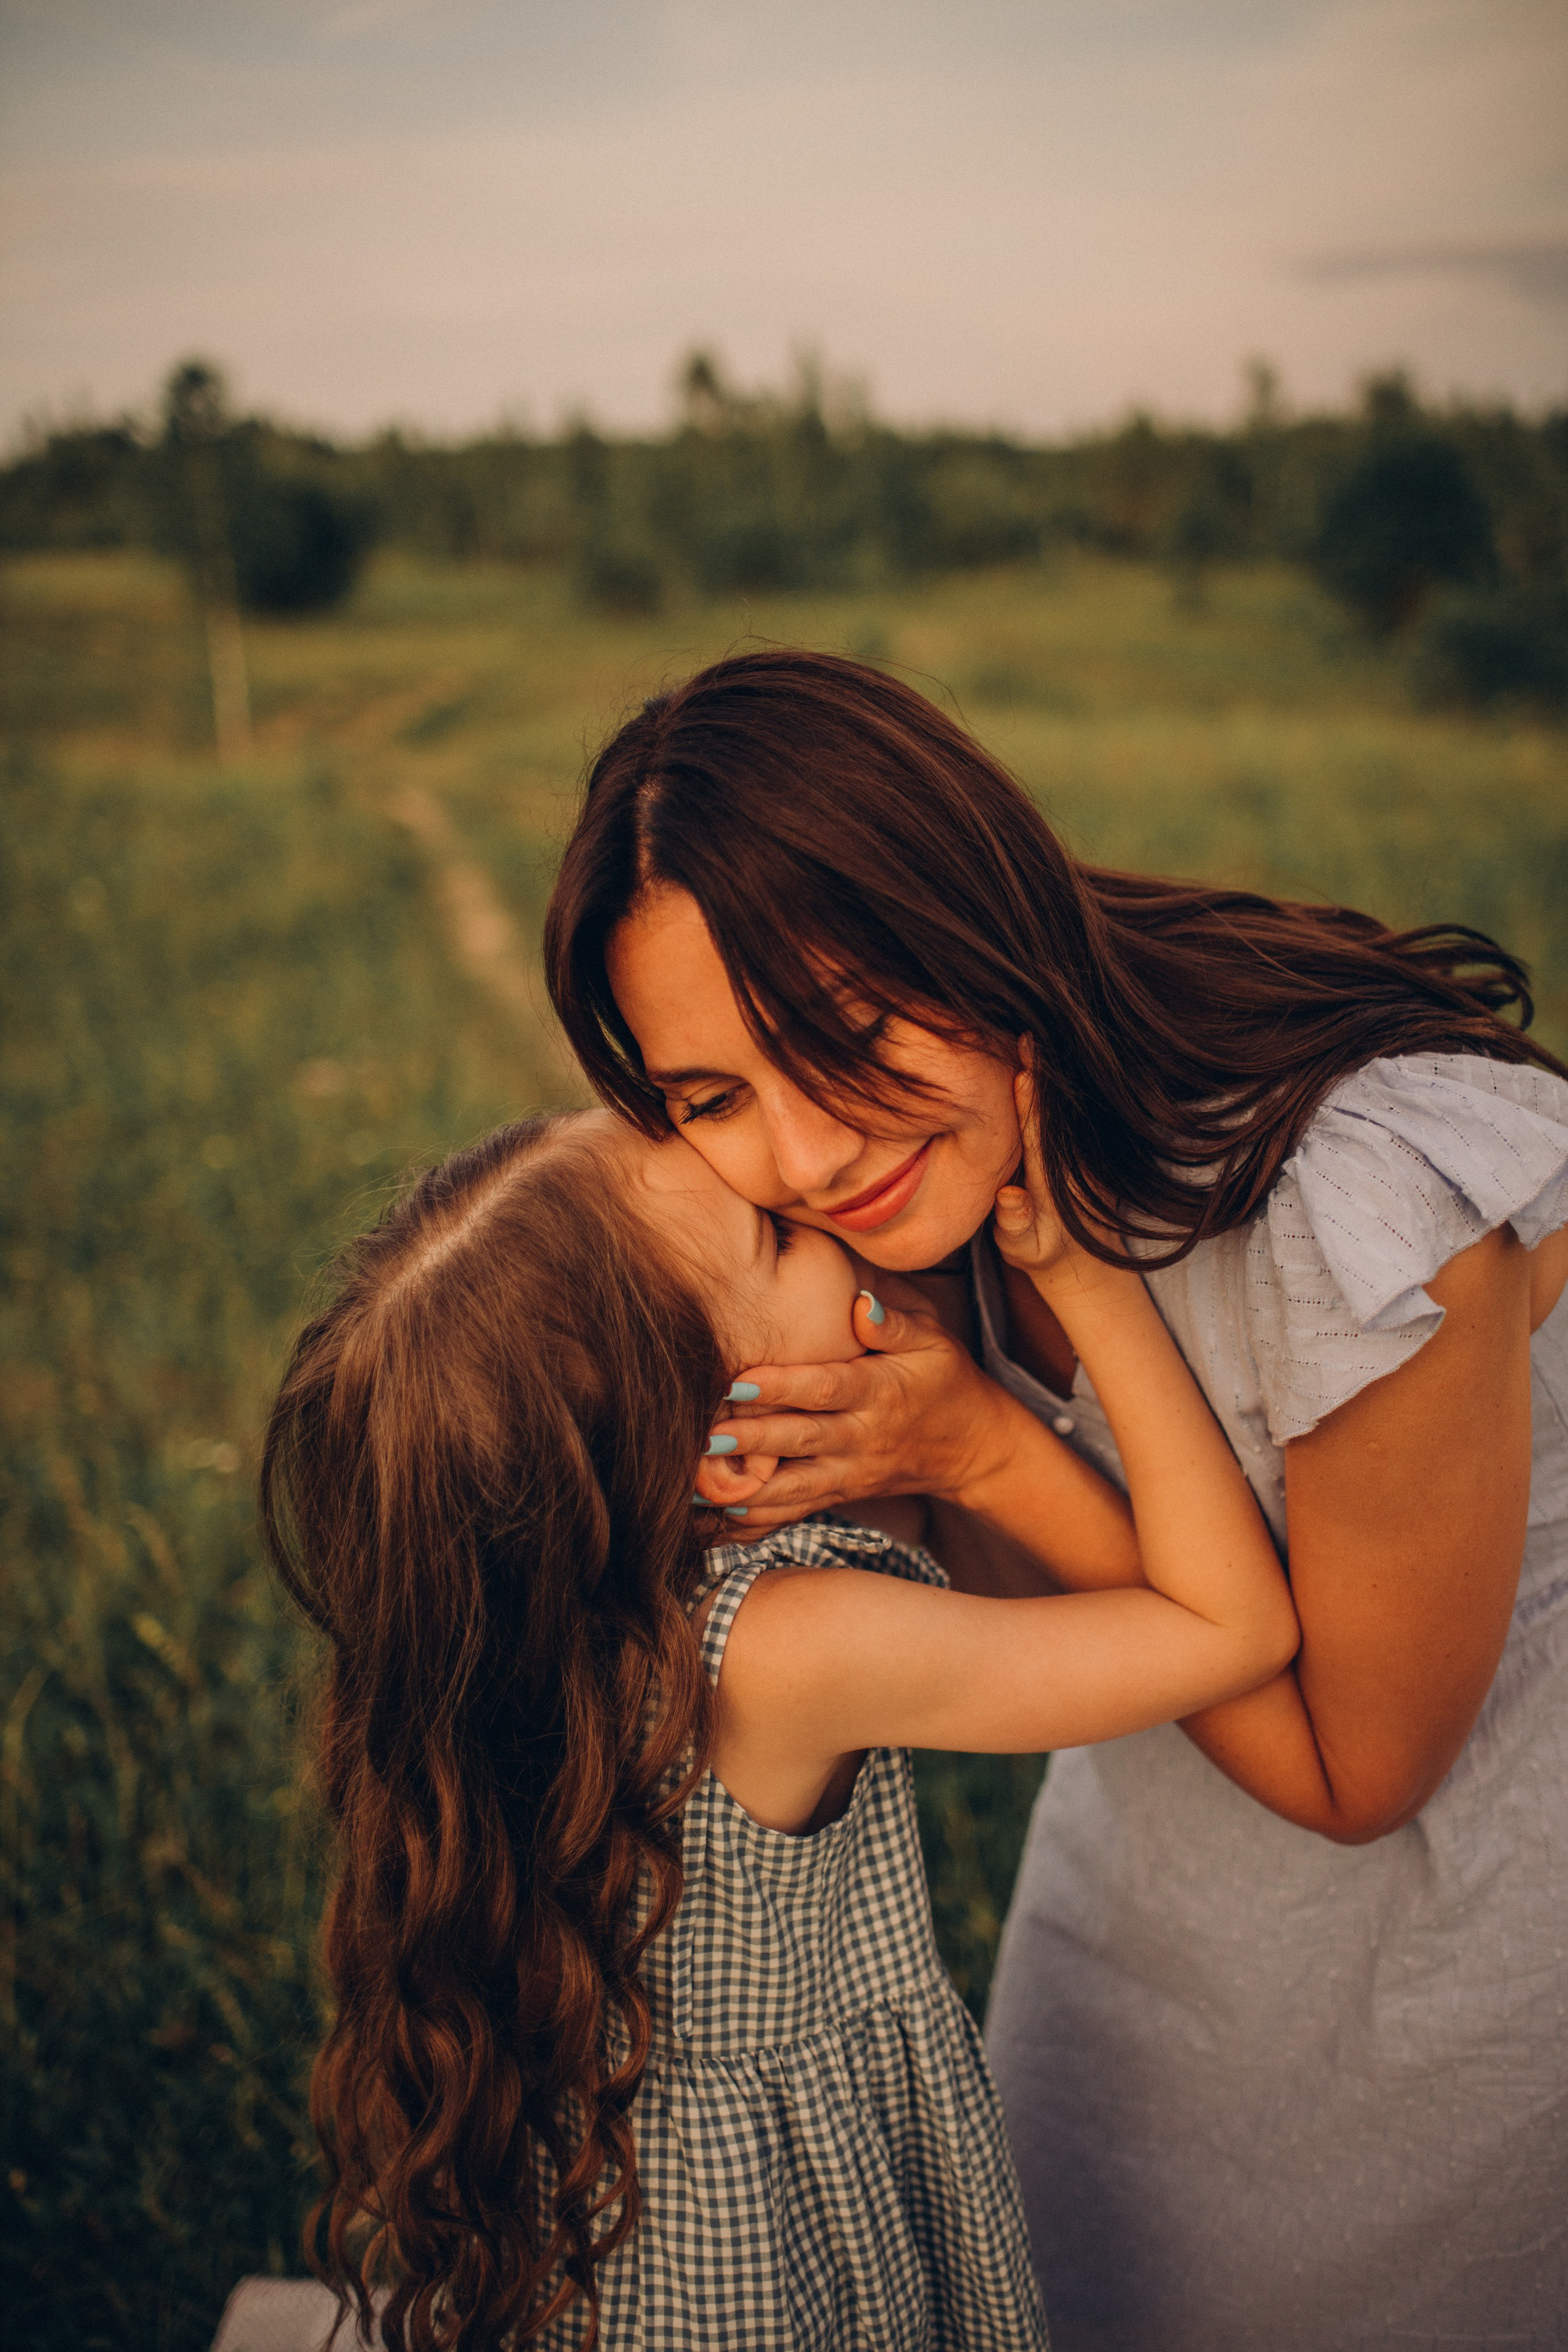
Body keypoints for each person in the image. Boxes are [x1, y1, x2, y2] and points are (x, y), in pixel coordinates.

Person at [543, 647, 1568, 2351]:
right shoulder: (904, 1209)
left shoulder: (1360, 1208)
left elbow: (1355, 1771)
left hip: (1452, 1945)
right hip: (1145, 1882)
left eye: (847, 1033)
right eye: (717, 1096)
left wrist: (982, 1452)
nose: (808, 1159)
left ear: (975, 919)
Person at [261, 1104, 1296, 2352]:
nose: (808, 1203)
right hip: (750, 2246)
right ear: (732, 1452)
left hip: (617, 2195)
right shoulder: (790, 1647)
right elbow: (1229, 1631)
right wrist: (1073, 1290)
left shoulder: (574, 1627)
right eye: (773, 1236)